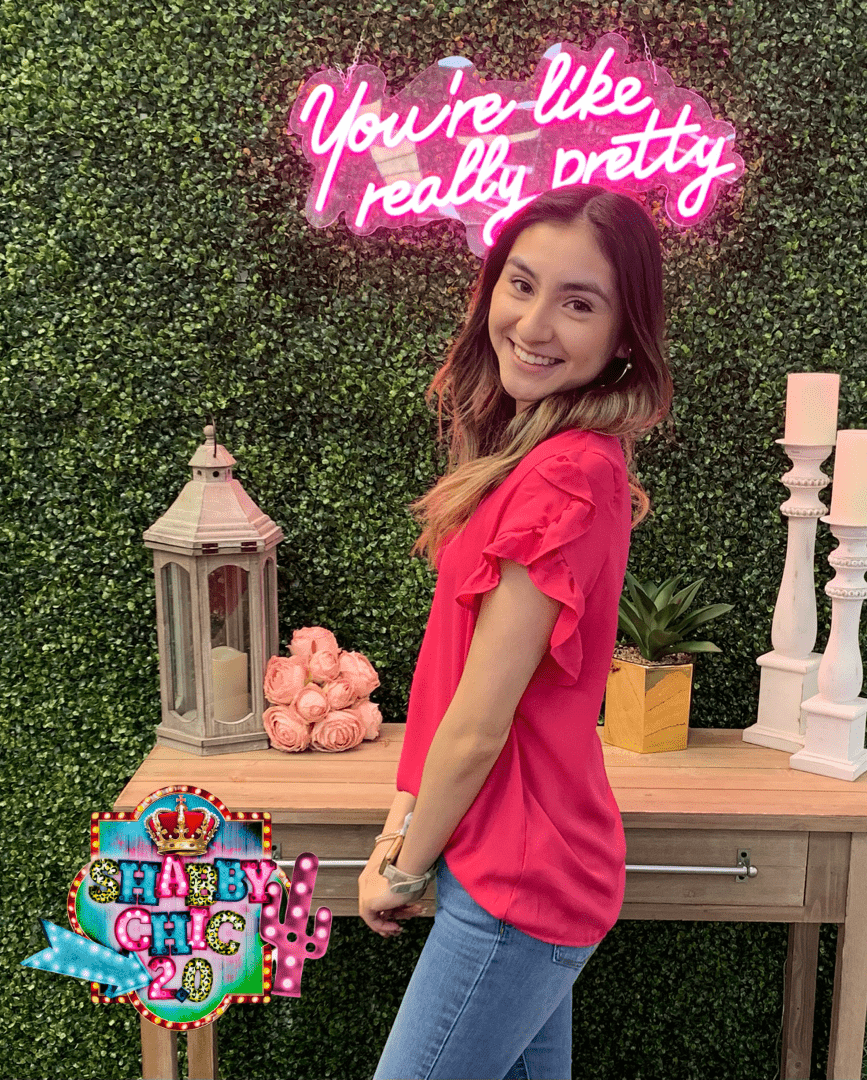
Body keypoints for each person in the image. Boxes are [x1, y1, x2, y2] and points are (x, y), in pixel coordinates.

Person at [358, 182, 673, 1080]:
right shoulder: (532, 457)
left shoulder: (568, 475)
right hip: (502, 858)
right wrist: (403, 826)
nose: (533, 325)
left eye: (579, 303)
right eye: (521, 285)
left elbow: (480, 721)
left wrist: (402, 866)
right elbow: (451, 678)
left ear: (623, 336)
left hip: (516, 877)